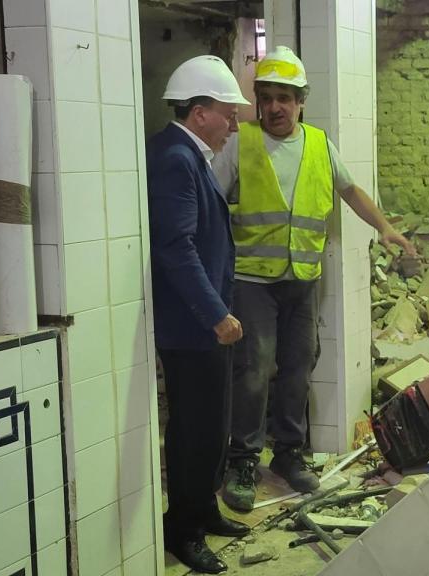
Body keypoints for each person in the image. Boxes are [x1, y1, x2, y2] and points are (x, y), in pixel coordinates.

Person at [212, 46, 417, 512]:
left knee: (298, 367)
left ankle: (288, 454)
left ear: (301, 100)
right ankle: (242, 461)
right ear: (259, 100)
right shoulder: (238, 144)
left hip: (302, 278)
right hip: (252, 280)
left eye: (286, 97)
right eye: (267, 97)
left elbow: (349, 190)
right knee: (255, 369)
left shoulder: (320, 144)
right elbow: (209, 203)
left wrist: (384, 227)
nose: (276, 107)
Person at [147, 55, 253, 574]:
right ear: (200, 112)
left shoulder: (189, 155)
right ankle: (183, 530)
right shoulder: (175, 158)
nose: (234, 124)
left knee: (212, 426)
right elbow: (176, 247)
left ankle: (204, 510)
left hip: (204, 322)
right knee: (193, 430)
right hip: (191, 325)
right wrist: (215, 314)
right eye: (227, 113)